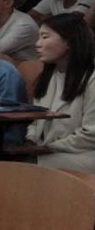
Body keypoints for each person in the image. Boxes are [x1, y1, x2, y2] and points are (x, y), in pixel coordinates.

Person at [19, 14, 95, 174]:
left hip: (84, 154)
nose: (37, 44)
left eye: (45, 37)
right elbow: (35, 120)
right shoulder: (49, 74)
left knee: (21, 170)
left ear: (69, 42)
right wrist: (30, 140)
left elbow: (91, 134)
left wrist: (47, 148)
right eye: (38, 37)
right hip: (51, 150)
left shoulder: (91, 77)